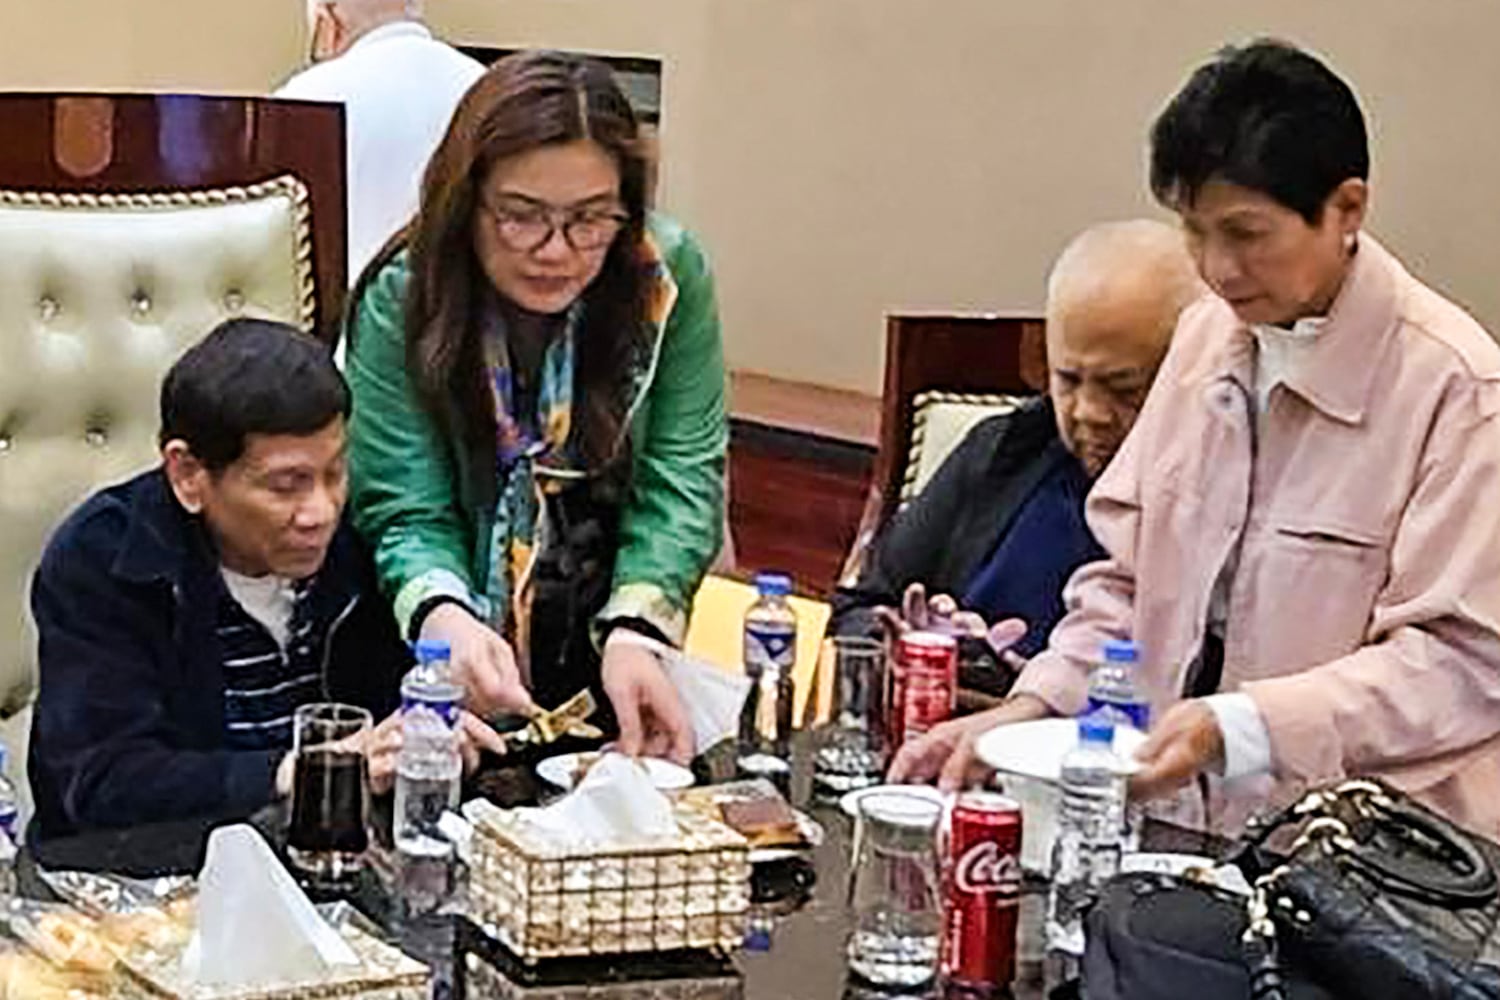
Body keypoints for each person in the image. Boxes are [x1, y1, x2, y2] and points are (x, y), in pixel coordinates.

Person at [893, 40, 1500, 837]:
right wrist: (1031, 707)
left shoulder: (1459, 391)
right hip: (1176, 829)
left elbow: (1458, 669)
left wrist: (1245, 726)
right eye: (1194, 231)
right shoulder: (1204, 342)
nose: (1218, 268)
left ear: (1347, 209)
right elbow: (1125, 581)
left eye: (1247, 233)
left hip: (1361, 857)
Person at [344, 50, 727, 763]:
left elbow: (682, 478)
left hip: (607, 637)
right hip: (428, 647)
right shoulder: (403, 293)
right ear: (468, 199)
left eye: (590, 220)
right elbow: (404, 505)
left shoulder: (666, 279)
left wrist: (640, 628)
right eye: (521, 217)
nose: (556, 251)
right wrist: (445, 618)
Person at [28, 319, 503, 842]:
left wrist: (434, 734)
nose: (320, 512)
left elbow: (394, 725)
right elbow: (103, 784)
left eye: (335, 473)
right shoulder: (105, 557)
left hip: (340, 865)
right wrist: (310, 770)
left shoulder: (364, 535)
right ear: (188, 474)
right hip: (145, 887)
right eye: (285, 486)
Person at [830, 220, 1199, 693]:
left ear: (1188, 369)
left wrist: (1034, 690)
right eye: (1068, 380)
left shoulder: (1215, 497)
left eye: (1122, 388)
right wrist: (925, 648)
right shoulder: (1006, 450)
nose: (1088, 413)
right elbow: (858, 610)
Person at [275, 0, 485, 281]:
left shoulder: (305, 97)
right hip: (463, 309)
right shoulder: (484, 88)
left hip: (344, 313)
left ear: (328, 20)